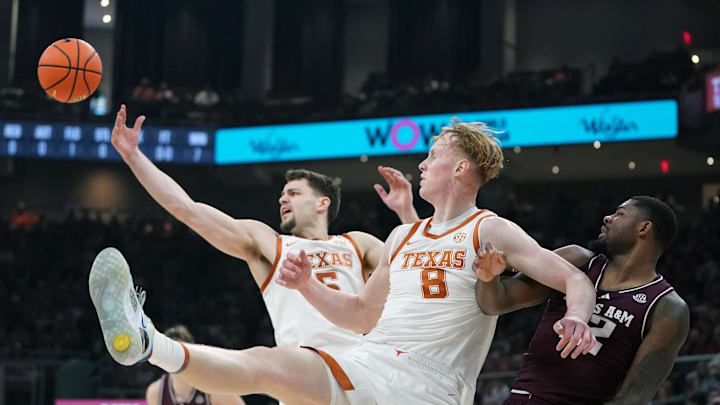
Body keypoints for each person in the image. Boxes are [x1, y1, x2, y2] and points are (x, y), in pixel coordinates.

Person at [90, 118, 597, 404]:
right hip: (359, 361)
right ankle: (149, 343)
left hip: (425, 381)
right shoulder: (383, 237)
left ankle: (154, 344)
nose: (421, 161)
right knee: (267, 363)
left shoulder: (478, 228)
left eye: (434, 154)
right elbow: (360, 312)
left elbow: (571, 274)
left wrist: (577, 314)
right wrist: (308, 286)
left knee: (267, 368)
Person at [106, 105, 419, 358]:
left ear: (322, 203)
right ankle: (154, 344)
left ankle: (156, 346)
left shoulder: (357, 243)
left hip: (360, 365)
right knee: (254, 363)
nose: (283, 198)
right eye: (282, 194)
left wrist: (406, 212)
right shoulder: (267, 241)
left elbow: (416, 262)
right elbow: (188, 209)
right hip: (301, 368)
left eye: (294, 193)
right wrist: (134, 156)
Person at [473, 196, 689, 404]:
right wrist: (489, 276)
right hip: (526, 398)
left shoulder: (667, 307)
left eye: (619, 214)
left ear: (643, 228)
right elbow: (495, 303)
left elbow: (634, 397)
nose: (607, 217)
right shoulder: (576, 260)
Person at [146, 325, 246, 405]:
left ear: (191, 352)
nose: (174, 358)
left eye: (178, 351)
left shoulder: (214, 387)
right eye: (170, 352)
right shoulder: (156, 392)